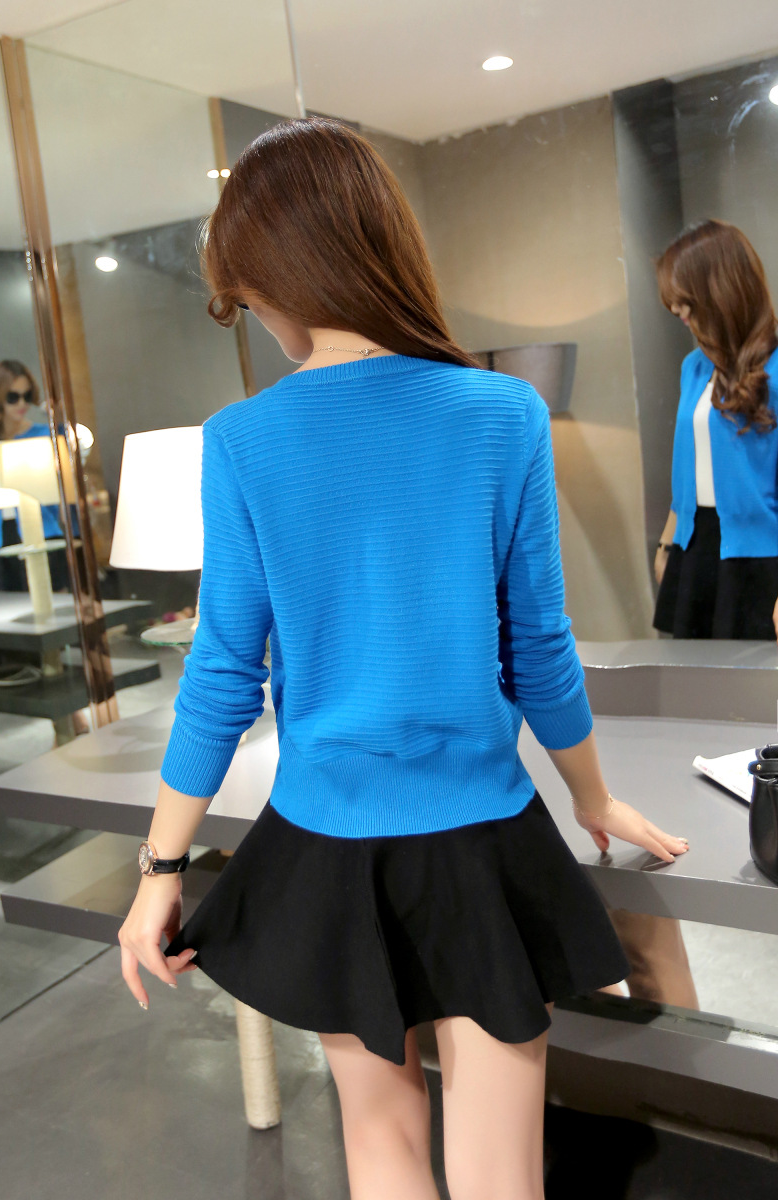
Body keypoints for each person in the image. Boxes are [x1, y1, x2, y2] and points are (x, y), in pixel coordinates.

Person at [118, 118, 688, 1200]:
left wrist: (160, 874)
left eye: (244, 295)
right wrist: (593, 797)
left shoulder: (240, 440)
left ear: (273, 278)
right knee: (501, 1171)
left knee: (379, 1147)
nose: (257, 320)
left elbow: (223, 674)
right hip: (481, 843)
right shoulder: (502, 414)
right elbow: (538, 648)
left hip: (327, 843)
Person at [653, 219, 778, 640]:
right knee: (692, 675)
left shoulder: (775, 368)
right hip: (696, 547)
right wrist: (668, 541)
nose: (676, 310)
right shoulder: (693, 367)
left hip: (760, 553)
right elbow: (687, 468)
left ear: (719, 288)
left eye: (684, 297)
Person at [0, 359, 69, 592]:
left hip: (43, 534)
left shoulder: (43, 435)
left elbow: (68, 472)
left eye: (27, 396)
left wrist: (59, 421)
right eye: (13, 397)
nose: (21, 403)